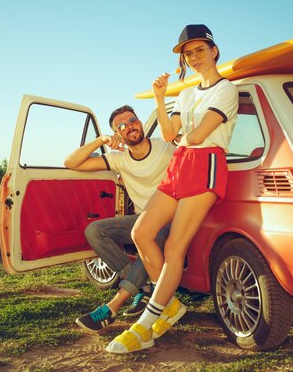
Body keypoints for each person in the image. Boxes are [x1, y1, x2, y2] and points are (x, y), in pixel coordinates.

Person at [106, 24, 238, 353]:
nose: (193, 57)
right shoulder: (187, 93)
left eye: (199, 50)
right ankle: (170, 306)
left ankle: (145, 325)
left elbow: (197, 136)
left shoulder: (226, 90)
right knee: (141, 232)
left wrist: (183, 134)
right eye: (187, 53)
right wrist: (161, 98)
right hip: (180, 164)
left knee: (175, 249)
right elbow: (169, 134)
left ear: (214, 50)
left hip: (205, 165)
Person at [64, 105, 176, 335]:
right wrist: (101, 140)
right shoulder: (119, 159)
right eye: (121, 126)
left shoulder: (166, 148)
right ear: (118, 134)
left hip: (170, 217)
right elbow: (71, 163)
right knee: (94, 231)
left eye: (132, 120)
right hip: (140, 218)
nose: (130, 126)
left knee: (149, 237)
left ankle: (112, 306)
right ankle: (141, 286)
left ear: (141, 122)